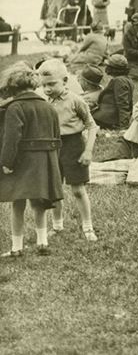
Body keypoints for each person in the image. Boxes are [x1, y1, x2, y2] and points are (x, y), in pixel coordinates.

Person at [0, 63, 63, 257]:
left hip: (22, 161)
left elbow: (11, 140)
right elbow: (57, 138)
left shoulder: (15, 107)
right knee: (40, 203)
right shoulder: (48, 106)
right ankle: (42, 242)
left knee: (17, 203)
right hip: (45, 160)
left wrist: (6, 163)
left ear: (13, 86)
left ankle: (17, 248)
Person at [36, 60, 98, 242]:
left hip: (74, 146)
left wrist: (88, 152)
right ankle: (57, 225)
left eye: (52, 84)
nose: (47, 89)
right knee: (54, 190)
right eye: (44, 85)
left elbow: (92, 126)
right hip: (51, 147)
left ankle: (88, 227)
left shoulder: (76, 100)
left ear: (64, 81)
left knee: (78, 189)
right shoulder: (42, 100)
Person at [91, 54, 134, 130]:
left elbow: (123, 104)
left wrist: (123, 127)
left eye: (108, 66)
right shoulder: (127, 79)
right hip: (109, 116)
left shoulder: (119, 81)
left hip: (108, 118)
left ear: (112, 68)